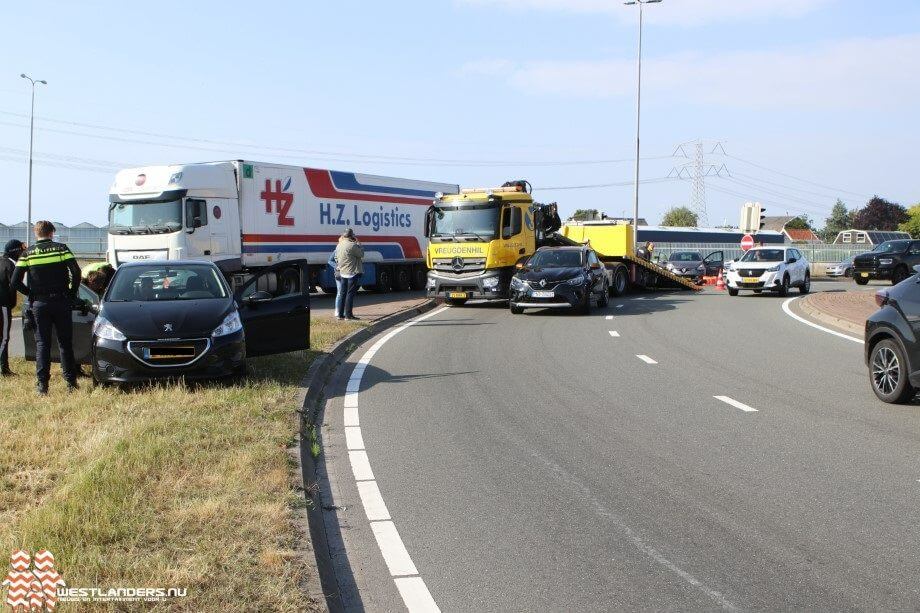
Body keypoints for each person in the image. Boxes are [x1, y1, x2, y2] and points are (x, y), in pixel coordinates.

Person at [11, 221, 82, 395]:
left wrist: (31, 294)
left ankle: (42, 386)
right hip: (61, 302)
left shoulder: (27, 253)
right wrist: (71, 294)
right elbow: (76, 272)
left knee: (42, 344)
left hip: (39, 304)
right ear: (51, 233)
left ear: (36, 234)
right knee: (65, 343)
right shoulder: (61, 249)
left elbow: (14, 282)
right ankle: (71, 383)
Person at [0, 240, 25, 376]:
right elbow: (15, 283)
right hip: (3, 305)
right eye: (20, 251)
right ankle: (3, 369)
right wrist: (29, 293)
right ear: (15, 251)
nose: (21, 254)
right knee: (3, 338)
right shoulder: (10, 265)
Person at [334, 228, 364, 320]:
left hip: (342, 272)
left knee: (343, 293)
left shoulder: (339, 245)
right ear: (352, 236)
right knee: (350, 294)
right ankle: (348, 315)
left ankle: (340, 314)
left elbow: (336, 257)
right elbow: (361, 254)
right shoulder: (353, 245)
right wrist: (359, 244)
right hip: (351, 272)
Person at [327, 249, 344, 320]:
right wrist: (336, 266)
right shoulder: (337, 250)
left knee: (344, 293)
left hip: (347, 273)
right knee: (340, 292)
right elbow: (330, 261)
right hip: (339, 274)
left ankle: (343, 310)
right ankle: (337, 310)